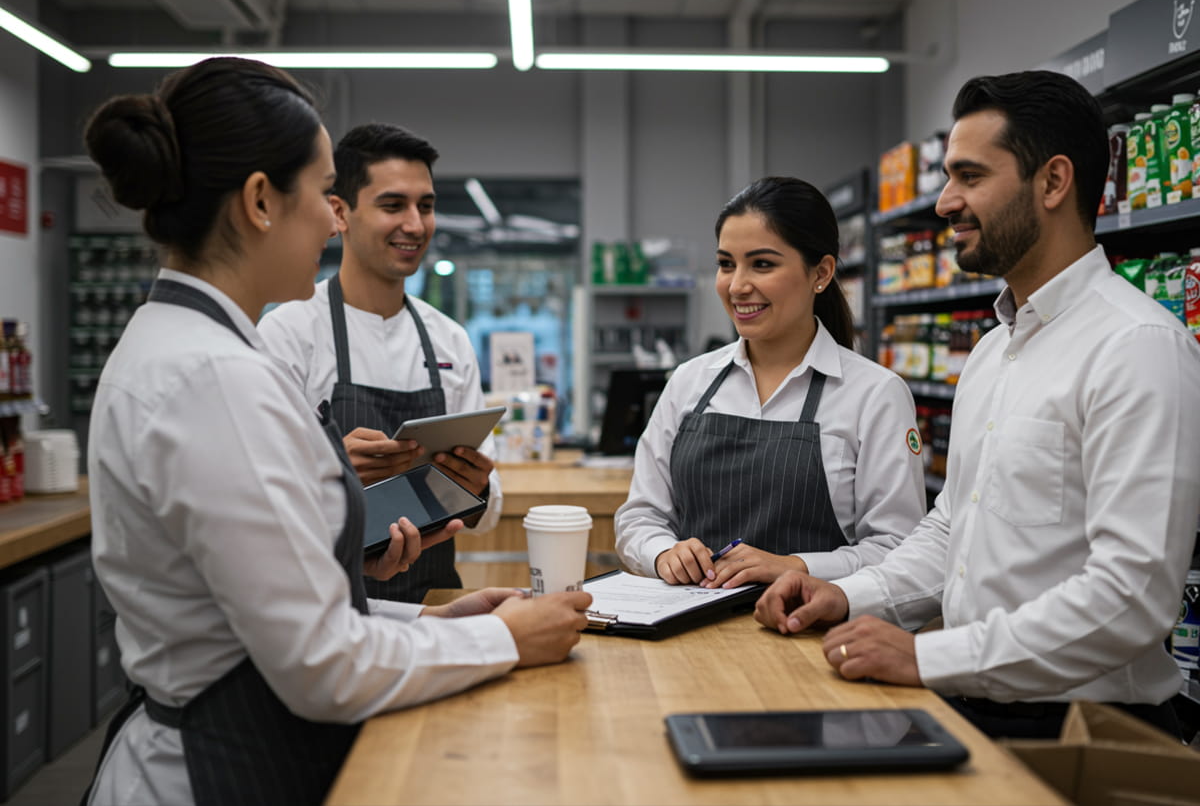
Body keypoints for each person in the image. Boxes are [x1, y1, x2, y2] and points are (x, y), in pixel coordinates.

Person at [82, 57, 591, 806]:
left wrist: (431, 618)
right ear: (260, 201)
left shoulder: (189, 344)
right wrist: (503, 641)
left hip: (242, 730)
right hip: (219, 765)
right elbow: (321, 664)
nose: (332, 217)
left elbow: (261, 608)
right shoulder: (215, 378)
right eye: (325, 192)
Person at [755, 70, 1200, 740]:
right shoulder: (994, 352)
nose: (943, 203)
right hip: (976, 706)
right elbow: (953, 530)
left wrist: (930, 655)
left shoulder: (1136, 347)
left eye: (969, 176)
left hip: (1089, 731)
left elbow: (1132, 597)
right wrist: (849, 594)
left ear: (1052, 182)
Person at [614, 177, 926, 589]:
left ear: (822, 273)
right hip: (687, 635)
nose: (738, 285)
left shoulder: (874, 394)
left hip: (809, 635)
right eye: (727, 264)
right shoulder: (690, 382)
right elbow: (640, 516)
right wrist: (663, 553)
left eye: (762, 264)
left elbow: (898, 549)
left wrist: (798, 567)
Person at [259, 123, 499, 604]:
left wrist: (478, 490)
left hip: (435, 602)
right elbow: (258, 499)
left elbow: (488, 512)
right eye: (393, 205)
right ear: (339, 212)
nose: (415, 224)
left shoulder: (448, 339)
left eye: (425, 206)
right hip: (326, 606)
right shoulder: (288, 334)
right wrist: (330, 472)